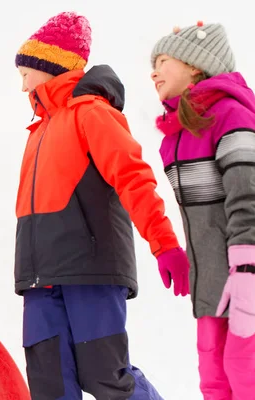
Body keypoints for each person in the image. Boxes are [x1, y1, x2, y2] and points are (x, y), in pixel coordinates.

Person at [13, 12, 190, 399]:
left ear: (50, 66)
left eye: (26, 70)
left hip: (90, 271)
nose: (22, 81)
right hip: (40, 279)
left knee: (105, 376)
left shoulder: (92, 113)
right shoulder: (38, 131)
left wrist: (165, 244)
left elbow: (133, 178)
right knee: (49, 384)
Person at [151, 20, 255, 399]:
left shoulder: (232, 115)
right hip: (211, 282)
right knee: (213, 380)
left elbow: (249, 197)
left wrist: (247, 270)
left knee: (246, 374)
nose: (154, 71)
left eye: (163, 60)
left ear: (195, 65)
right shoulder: (177, 136)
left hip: (244, 275)